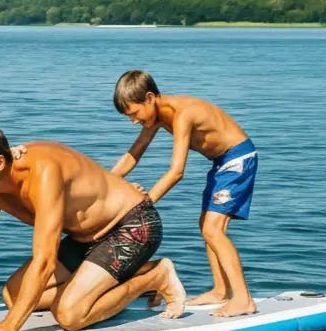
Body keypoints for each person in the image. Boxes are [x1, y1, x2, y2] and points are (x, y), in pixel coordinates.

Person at [0, 124, 186, 331]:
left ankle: (156, 276)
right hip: (85, 239)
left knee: (69, 315)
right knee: (13, 295)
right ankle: (98, 289)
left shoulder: (43, 172)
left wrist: (10, 326)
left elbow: (44, 261)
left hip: (131, 226)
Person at [110, 69, 258, 317]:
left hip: (237, 158)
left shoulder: (182, 114)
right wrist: (108, 181)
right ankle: (221, 291)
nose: (132, 121)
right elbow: (135, 152)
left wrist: (144, 203)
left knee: (213, 229)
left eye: (134, 113)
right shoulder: (155, 117)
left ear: (149, 98)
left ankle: (243, 299)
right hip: (221, 163)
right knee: (207, 227)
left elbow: (177, 171)